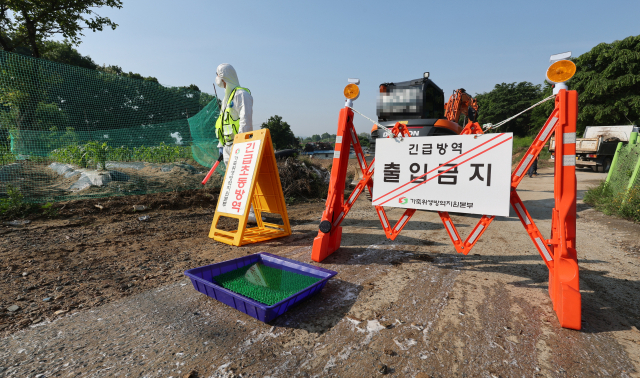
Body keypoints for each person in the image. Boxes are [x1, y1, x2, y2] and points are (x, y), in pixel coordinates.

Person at [214, 63, 258, 222]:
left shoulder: (241, 95)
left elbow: (246, 121)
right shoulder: (226, 99)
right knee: (231, 181)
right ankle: (239, 211)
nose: (217, 79)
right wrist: (220, 145)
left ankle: (251, 214)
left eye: (218, 75)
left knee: (243, 181)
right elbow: (223, 124)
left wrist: (242, 143)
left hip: (238, 145)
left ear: (224, 76)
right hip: (226, 147)